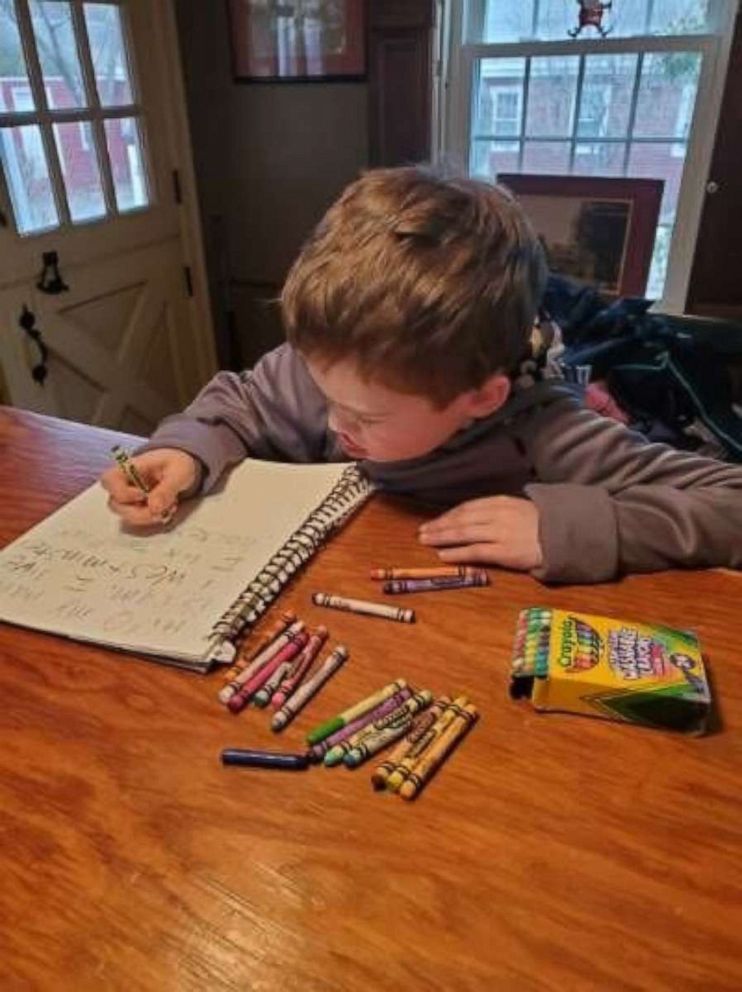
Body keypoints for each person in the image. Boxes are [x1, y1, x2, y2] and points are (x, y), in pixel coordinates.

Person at [101, 166, 742, 584]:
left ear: (479, 399)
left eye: (366, 417)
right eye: (327, 396)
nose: (332, 423)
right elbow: (239, 401)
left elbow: (731, 501)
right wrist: (185, 449)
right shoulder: (333, 367)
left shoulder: (547, 433)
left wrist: (570, 529)